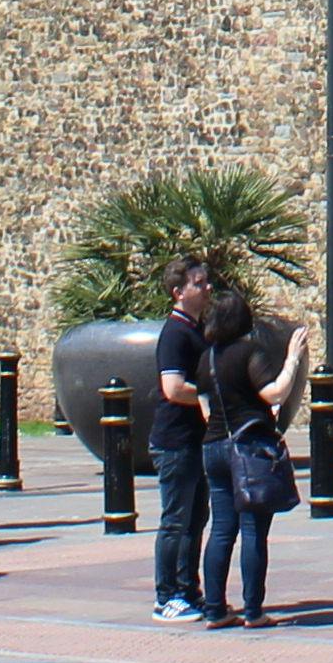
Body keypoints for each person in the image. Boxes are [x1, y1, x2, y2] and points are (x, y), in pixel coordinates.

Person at [197, 281, 308, 626]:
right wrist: (292, 359)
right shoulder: (249, 352)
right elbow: (273, 393)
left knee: (221, 529)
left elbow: (204, 405)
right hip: (247, 449)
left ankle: (214, 608)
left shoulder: (207, 358)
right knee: (253, 530)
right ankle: (253, 610)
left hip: (214, 446)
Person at [146, 259, 221, 623]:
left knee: (195, 520)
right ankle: (166, 596)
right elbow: (173, 388)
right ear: (179, 292)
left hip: (196, 440)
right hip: (175, 441)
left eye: (206, 282)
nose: (206, 288)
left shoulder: (198, 329)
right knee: (175, 520)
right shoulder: (175, 334)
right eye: (198, 283)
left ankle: (188, 590)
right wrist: (208, 394)